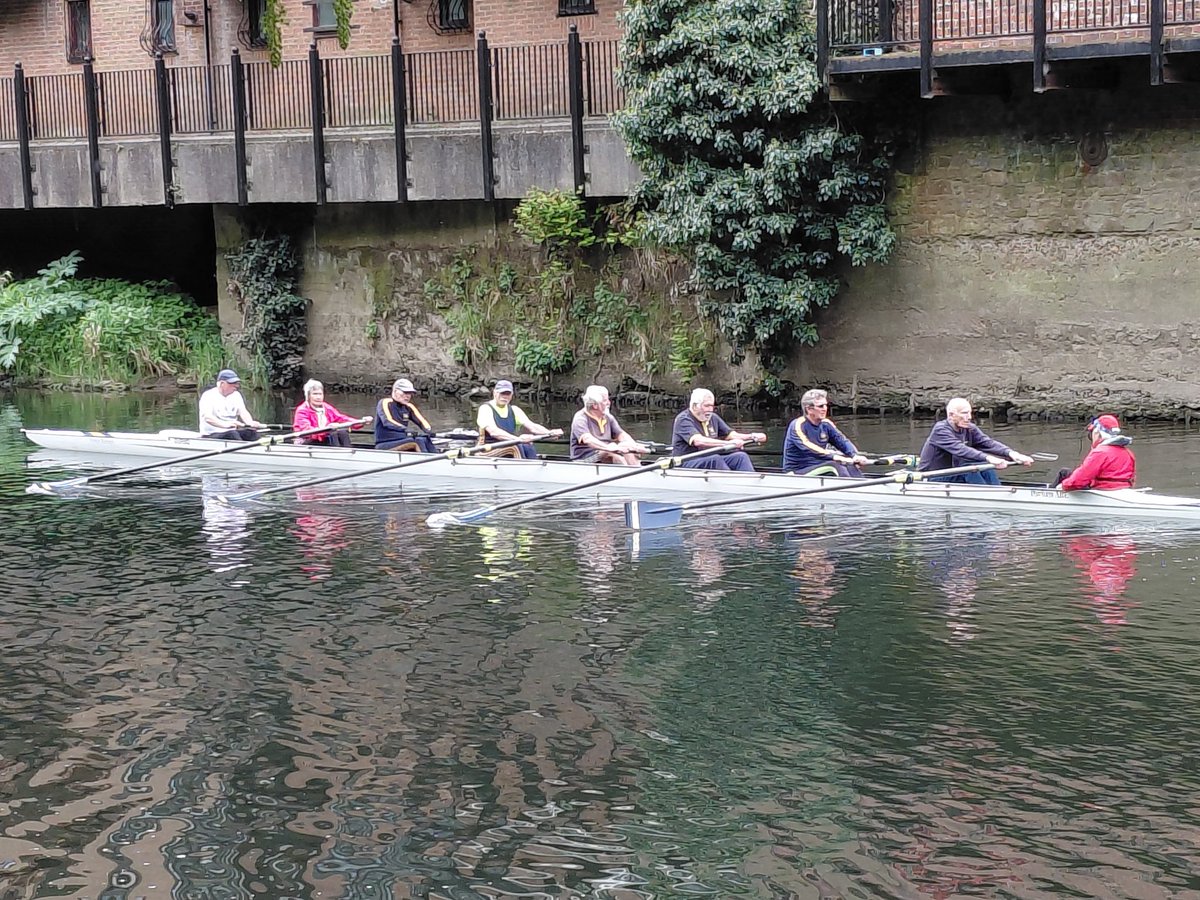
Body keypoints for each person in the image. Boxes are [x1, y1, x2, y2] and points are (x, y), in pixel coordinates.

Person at [917, 397, 1033, 485]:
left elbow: (987, 443)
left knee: (985, 466)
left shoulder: (969, 428)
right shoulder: (940, 430)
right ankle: (990, 498)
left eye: (970, 413)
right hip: (931, 478)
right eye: (964, 413)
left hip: (953, 474)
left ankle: (997, 492)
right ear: (951, 415)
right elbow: (961, 450)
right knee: (970, 468)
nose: (969, 417)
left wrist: (1013, 454)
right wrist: (989, 458)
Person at [670, 388, 766, 471]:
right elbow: (698, 441)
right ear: (695, 406)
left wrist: (752, 436)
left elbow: (730, 435)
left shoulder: (713, 418)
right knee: (715, 460)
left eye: (712, 406)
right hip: (686, 462)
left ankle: (750, 483)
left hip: (707, 459)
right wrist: (729, 444)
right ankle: (733, 485)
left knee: (740, 456)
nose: (710, 410)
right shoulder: (683, 419)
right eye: (706, 406)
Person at [782, 388, 870, 476]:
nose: (825, 409)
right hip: (796, 471)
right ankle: (849, 488)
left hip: (818, 466)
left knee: (849, 464)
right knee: (836, 465)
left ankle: (862, 487)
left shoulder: (826, 424)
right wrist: (835, 457)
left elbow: (841, 440)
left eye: (826, 405)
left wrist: (854, 455)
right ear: (809, 409)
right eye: (820, 406)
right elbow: (808, 447)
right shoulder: (797, 425)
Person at [476, 379, 562, 459]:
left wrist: (550, 433)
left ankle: (534, 468)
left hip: (507, 446)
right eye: (502, 393)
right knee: (515, 446)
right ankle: (523, 472)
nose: (505, 396)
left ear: (512, 394)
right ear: (495, 393)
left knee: (528, 445)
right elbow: (494, 432)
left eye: (507, 393)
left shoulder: (514, 410)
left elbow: (532, 427)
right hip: (486, 450)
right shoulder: (485, 409)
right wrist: (518, 439)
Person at [569, 385, 648, 466]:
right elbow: (588, 440)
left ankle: (637, 471)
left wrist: (634, 446)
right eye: (605, 400)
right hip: (583, 459)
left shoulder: (607, 417)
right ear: (595, 405)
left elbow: (621, 435)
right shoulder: (580, 419)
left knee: (626, 446)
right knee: (610, 453)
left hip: (605, 451)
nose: (609, 403)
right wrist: (608, 448)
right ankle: (627, 471)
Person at [1053, 414, 1135, 491]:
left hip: (1102, 491)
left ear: (1097, 433)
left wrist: (1063, 486)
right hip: (1121, 489)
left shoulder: (1100, 452)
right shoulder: (1128, 453)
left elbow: (1081, 478)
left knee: (1064, 473)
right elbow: (1132, 479)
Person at [291, 379, 370, 447]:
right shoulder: (302, 410)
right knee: (333, 433)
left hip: (323, 438)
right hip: (306, 441)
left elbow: (341, 418)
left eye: (320, 394)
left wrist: (361, 422)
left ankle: (348, 453)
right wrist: (327, 429)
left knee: (342, 432)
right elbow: (308, 431)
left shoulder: (326, 408)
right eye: (315, 394)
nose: (318, 397)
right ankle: (336, 457)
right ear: (308, 396)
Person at [198, 369, 264, 441]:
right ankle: (243, 451)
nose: (236, 386)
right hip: (211, 434)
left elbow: (243, 412)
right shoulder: (208, 396)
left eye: (236, 383)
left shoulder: (236, 395)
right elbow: (207, 418)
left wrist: (250, 423)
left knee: (251, 433)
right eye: (232, 383)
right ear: (221, 384)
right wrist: (225, 425)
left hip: (231, 432)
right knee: (232, 434)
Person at [375, 378, 436, 452]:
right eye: (405, 392)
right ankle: (426, 461)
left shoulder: (409, 406)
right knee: (417, 441)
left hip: (402, 440)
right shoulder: (385, 402)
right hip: (385, 443)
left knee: (425, 438)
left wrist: (429, 431)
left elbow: (422, 422)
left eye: (410, 393)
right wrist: (406, 429)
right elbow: (387, 422)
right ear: (395, 391)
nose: (408, 396)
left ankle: (438, 459)